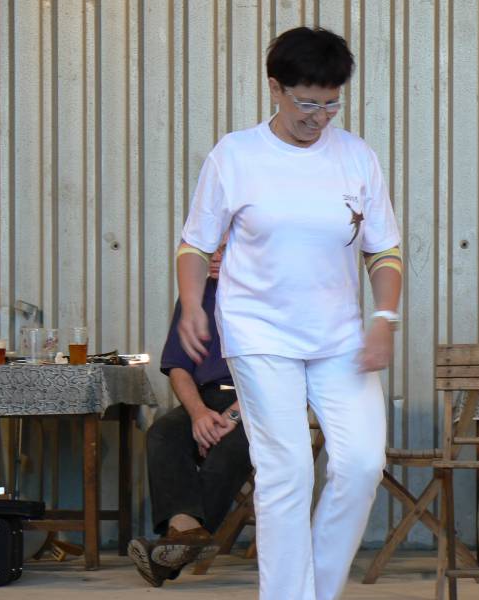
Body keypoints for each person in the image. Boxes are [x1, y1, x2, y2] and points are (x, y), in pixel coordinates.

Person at [176, 27, 403, 600]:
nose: (318, 117)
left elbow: (383, 250)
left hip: (339, 338)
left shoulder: (356, 157)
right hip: (259, 334)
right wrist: (191, 306)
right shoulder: (236, 156)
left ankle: (315, 593)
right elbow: (195, 244)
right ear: (275, 88)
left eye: (331, 104)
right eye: (306, 103)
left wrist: (384, 319)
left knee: (361, 465)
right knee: (287, 471)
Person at [128, 244, 252, 587]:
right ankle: (186, 534)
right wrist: (198, 414)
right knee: (163, 433)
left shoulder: (272, 294)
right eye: (211, 249)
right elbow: (179, 367)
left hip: (260, 400)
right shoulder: (195, 296)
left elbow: (289, 372)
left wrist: (232, 417)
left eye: (227, 247)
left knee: (227, 451)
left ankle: (169, 550)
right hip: (206, 397)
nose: (215, 256)